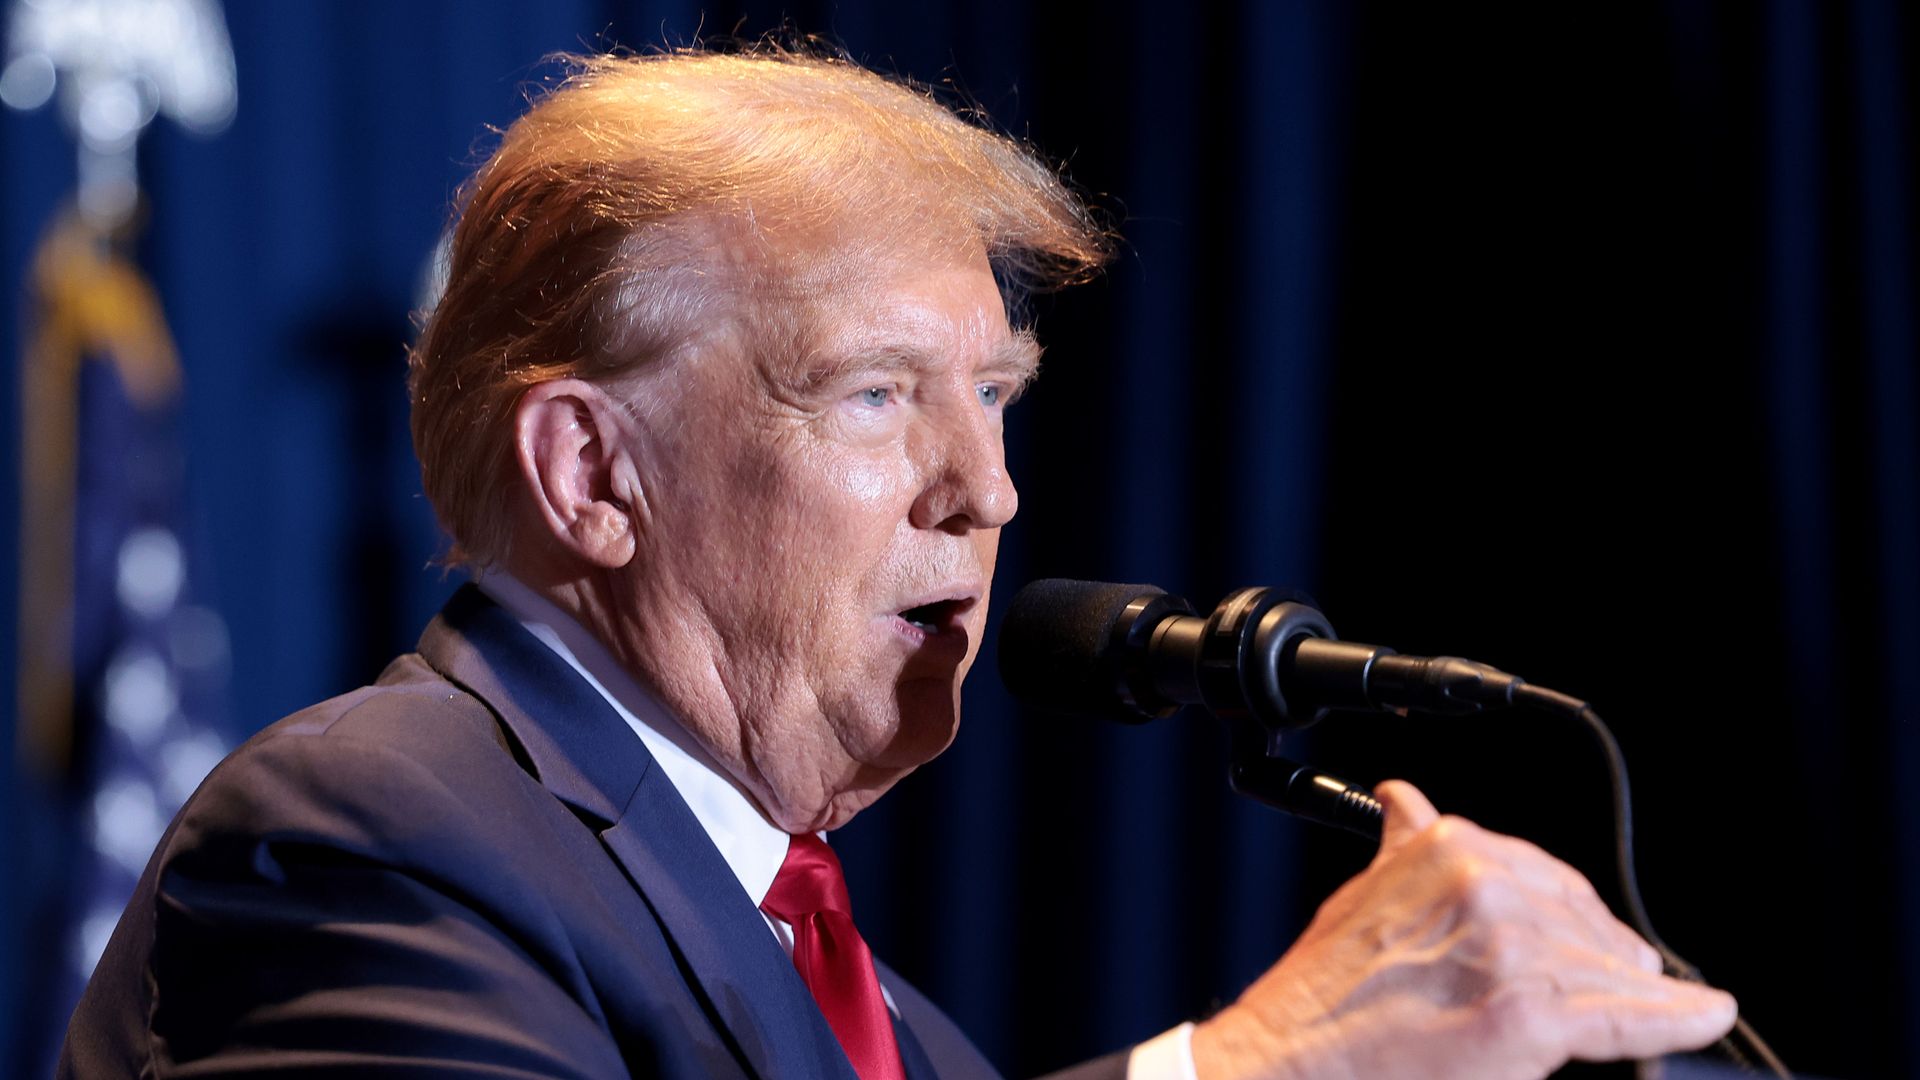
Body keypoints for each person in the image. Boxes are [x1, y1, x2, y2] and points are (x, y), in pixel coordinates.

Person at [58, 48, 1738, 1080]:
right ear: (590, 471)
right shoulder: (368, 837)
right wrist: (1263, 1066)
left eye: (994, 399)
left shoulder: (898, 1031)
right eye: (874, 395)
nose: (988, 492)